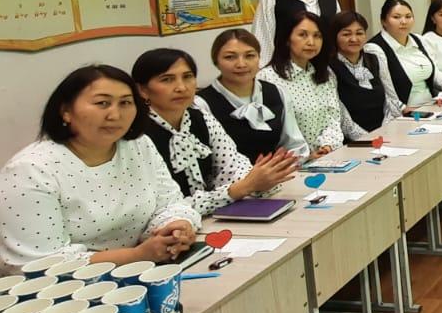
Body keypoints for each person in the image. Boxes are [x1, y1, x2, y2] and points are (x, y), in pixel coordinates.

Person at [0, 65, 201, 284]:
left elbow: (170, 203)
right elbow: (41, 265)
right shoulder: (29, 171)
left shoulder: (138, 146)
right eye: (102, 103)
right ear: (65, 111)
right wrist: (137, 255)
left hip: (131, 276)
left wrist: (176, 228)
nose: (115, 114)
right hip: (36, 295)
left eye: (125, 103)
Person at [132, 48, 297, 216]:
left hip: (208, 217)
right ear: (142, 90)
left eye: (187, 77)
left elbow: (232, 166)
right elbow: (163, 207)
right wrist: (240, 188)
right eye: (167, 80)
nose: (181, 87)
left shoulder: (200, 117)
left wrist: (260, 178)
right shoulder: (136, 135)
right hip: (167, 225)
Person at [197, 29, 311, 160]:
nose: (241, 64)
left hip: (279, 170)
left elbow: (294, 144)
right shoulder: (201, 104)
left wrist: (288, 163)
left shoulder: (277, 92)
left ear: (259, 58)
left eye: (250, 56)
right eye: (230, 57)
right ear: (216, 62)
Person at [258, 11, 343, 157]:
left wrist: (327, 146)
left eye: (317, 36)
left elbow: (333, 117)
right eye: (302, 35)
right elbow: (267, 132)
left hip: (327, 156)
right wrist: (305, 157)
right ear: (287, 39)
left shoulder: (325, 74)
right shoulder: (267, 78)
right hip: (289, 162)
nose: (311, 42)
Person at [368, 0, 442, 107]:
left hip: (432, 106)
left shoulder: (418, 39)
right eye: (396, 17)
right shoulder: (375, 48)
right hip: (402, 112)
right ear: (383, 21)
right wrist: (402, 108)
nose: (404, 22)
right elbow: (384, 90)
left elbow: (434, 70)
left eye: (408, 17)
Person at [328, 11, 404, 137]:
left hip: (384, 133)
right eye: (346, 34)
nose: (354, 39)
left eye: (359, 33)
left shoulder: (375, 58)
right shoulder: (329, 67)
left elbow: (390, 98)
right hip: (354, 140)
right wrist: (368, 139)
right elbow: (343, 118)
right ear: (334, 36)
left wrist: (386, 131)